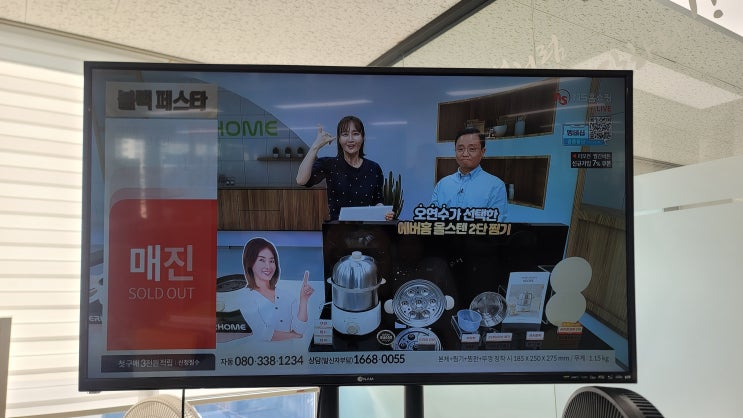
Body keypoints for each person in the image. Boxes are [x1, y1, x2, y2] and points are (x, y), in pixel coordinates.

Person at [296, 115, 393, 221]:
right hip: (338, 229)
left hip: (367, 228)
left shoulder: (374, 168)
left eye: (355, 134)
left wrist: (384, 212)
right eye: (345, 134)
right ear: (339, 139)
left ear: (363, 137)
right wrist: (316, 146)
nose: (350, 139)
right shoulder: (329, 164)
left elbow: (377, 200)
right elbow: (301, 180)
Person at [238, 237, 315, 341]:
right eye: (262, 260)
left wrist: (303, 300)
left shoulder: (286, 296)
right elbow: (261, 333)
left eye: (271, 261)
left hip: (291, 351)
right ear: (250, 263)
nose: (268, 266)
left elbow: (300, 329)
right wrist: (293, 335)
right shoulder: (245, 297)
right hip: (258, 351)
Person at [431, 127, 509, 221]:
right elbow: (433, 218)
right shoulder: (442, 184)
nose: (465, 154)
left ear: (482, 152)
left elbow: (496, 224)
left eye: (472, 149)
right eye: (460, 149)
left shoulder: (496, 186)